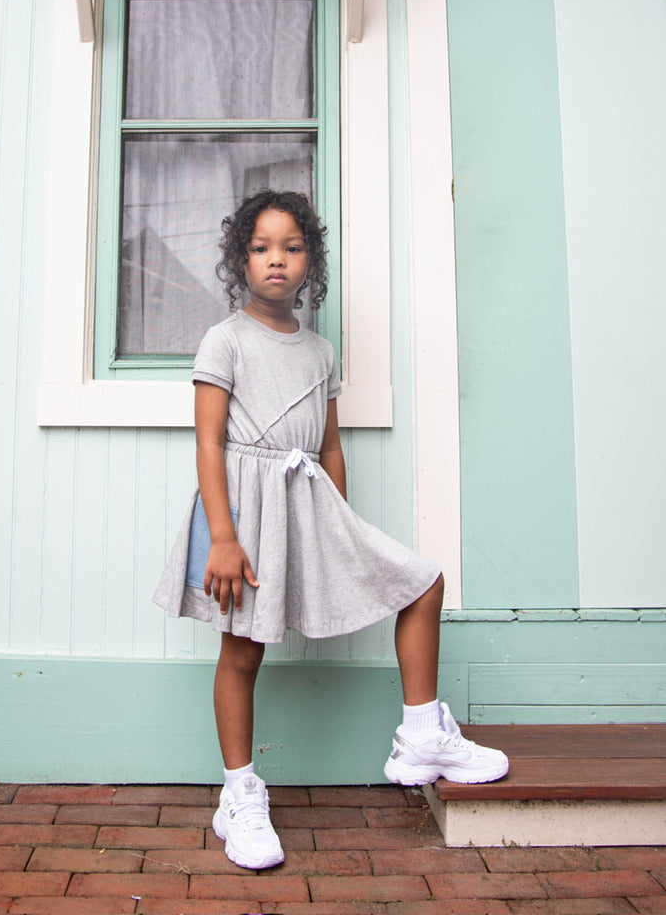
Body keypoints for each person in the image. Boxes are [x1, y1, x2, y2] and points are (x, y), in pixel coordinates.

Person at [154, 190, 508, 870]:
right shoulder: (224, 339)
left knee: (421, 582)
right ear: (240, 260)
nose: (276, 260)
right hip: (245, 513)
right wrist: (223, 537)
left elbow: (330, 446)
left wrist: (338, 524)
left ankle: (421, 734)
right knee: (242, 651)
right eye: (261, 248)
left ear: (310, 259)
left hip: (308, 506)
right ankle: (238, 795)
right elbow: (207, 444)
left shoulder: (319, 351)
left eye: (291, 247)